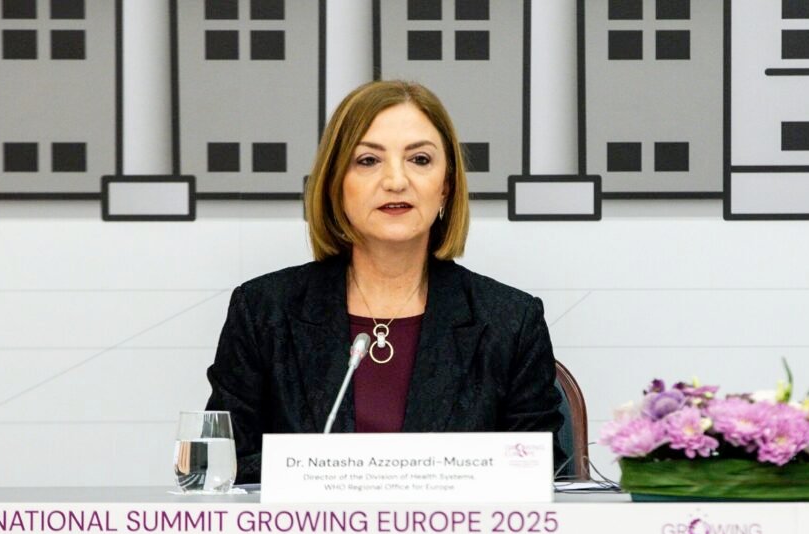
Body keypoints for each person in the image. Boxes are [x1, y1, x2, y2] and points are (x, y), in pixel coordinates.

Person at [206, 80, 566, 483]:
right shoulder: (263, 312)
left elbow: (540, 475)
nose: (396, 181)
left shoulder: (510, 322)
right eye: (368, 160)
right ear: (335, 183)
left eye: (420, 159)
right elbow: (223, 467)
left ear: (446, 186)